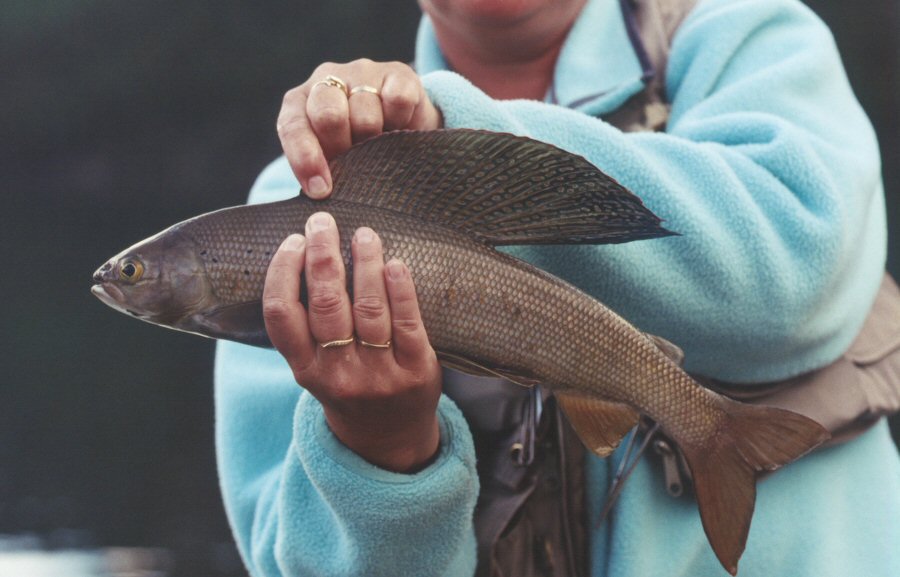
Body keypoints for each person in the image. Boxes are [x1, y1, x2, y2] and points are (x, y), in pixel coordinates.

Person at [214, 0, 900, 575]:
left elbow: (794, 265)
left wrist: (456, 137)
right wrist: (381, 451)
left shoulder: (748, 35)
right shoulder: (295, 203)